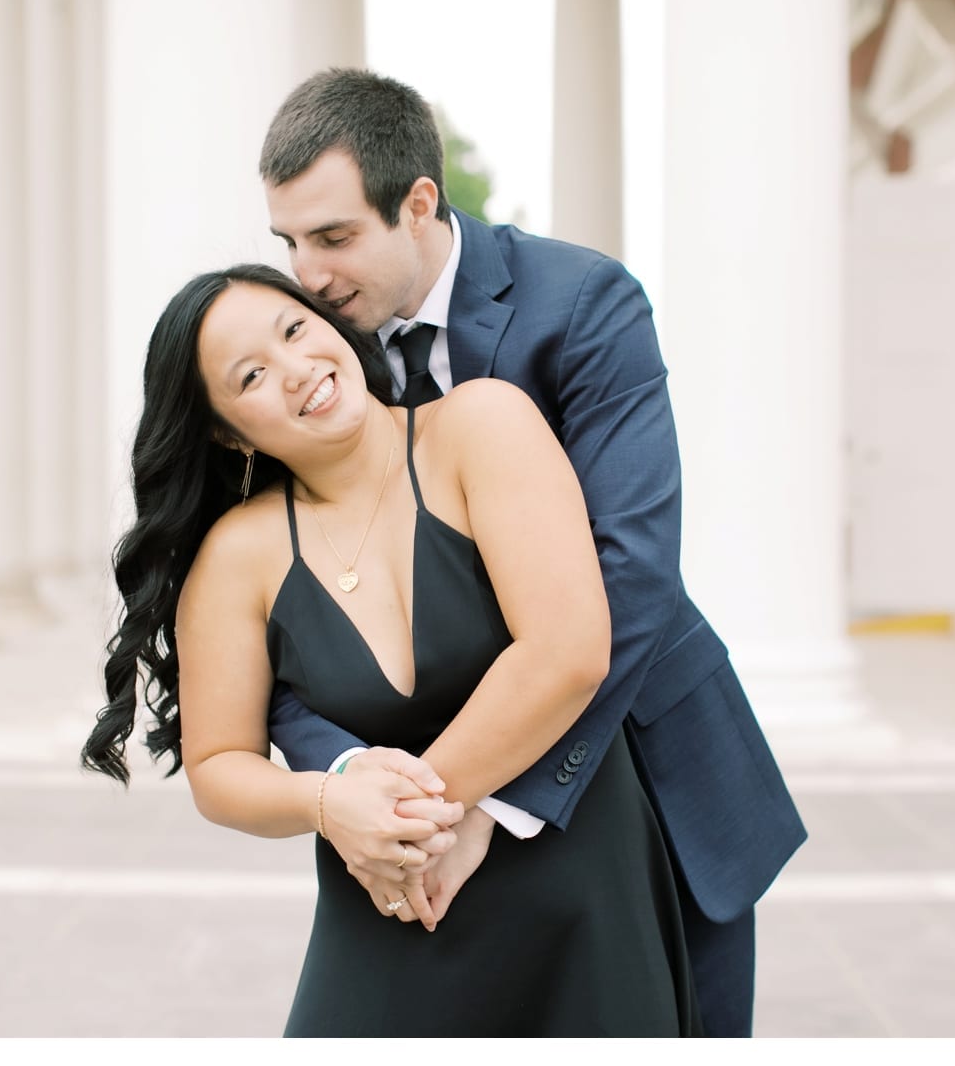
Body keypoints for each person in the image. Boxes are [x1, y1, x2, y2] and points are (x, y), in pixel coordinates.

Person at [258, 67, 807, 1038]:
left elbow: (629, 568)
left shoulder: (583, 302)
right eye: (288, 241)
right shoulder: (306, 357)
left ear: (418, 201)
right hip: (415, 803)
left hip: (643, 763)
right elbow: (287, 605)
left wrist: (481, 794)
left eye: (334, 237)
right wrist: (360, 787)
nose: (306, 274)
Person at [82, 261, 703, 1036]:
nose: (298, 370)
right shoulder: (235, 558)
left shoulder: (482, 425)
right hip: (389, 901)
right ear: (224, 430)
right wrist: (333, 803)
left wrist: (414, 823)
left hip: (572, 875)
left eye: (295, 329)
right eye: (251, 376)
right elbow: (218, 769)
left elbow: (569, 650)